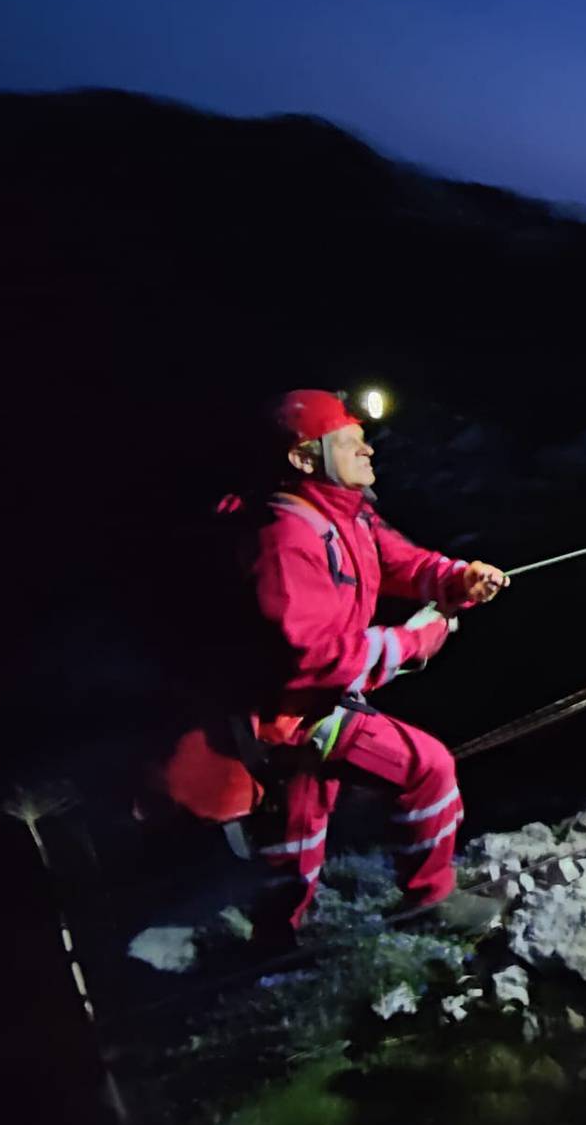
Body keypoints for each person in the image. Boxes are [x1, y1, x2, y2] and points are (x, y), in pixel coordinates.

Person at [154, 389, 506, 941]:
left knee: (297, 839)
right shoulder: (286, 537)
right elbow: (314, 656)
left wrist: (457, 577)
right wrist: (416, 642)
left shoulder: (343, 512)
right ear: (303, 457)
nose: (367, 450)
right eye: (350, 442)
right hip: (288, 712)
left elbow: (398, 560)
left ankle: (274, 945)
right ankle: (429, 901)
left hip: (295, 712)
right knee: (426, 768)